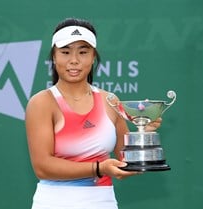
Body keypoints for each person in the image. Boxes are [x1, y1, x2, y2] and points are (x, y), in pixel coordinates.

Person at [25, 17, 162, 209]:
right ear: (54, 57)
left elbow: (127, 162)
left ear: (93, 57)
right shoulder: (41, 102)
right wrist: (99, 168)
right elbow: (42, 167)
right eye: (65, 52)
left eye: (83, 52)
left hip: (103, 202)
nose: (74, 60)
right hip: (53, 202)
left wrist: (143, 133)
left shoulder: (110, 101)